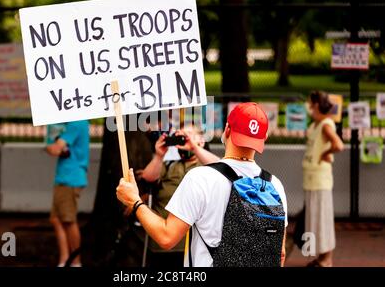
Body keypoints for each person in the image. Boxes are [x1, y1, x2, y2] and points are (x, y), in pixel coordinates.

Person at [116, 103, 288, 267]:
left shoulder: (200, 178)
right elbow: (279, 253)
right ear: (264, 138)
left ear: (227, 130)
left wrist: (135, 202)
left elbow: (166, 237)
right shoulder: (275, 185)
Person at [138, 125, 220, 266]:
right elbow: (147, 177)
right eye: (179, 137)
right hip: (163, 243)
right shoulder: (169, 165)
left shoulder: (208, 167)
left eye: (187, 135)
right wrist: (159, 155)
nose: (183, 140)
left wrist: (194, 148)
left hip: (196, 247)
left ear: (201, 141)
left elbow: (222, 168)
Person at [303, 91, 344, 267]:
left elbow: (338, 145)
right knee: (314, 219)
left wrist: (325, 154)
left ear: (317, 105)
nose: (309, 108)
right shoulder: (315, 125)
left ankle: (327, 260)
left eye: (311, 104)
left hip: (321, 180)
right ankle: (320, 257)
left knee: (323, 218)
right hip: (312, 179)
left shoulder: (326, 125)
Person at [45, 120, 90, 267]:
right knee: (56, 219)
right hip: (64, 177)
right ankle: (65, 260)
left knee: (68, 220)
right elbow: (51, 148)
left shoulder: (77, 122)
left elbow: (55, 149)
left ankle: (76, 262)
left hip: (71, 177)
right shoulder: (70, 124)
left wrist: (54, 141)